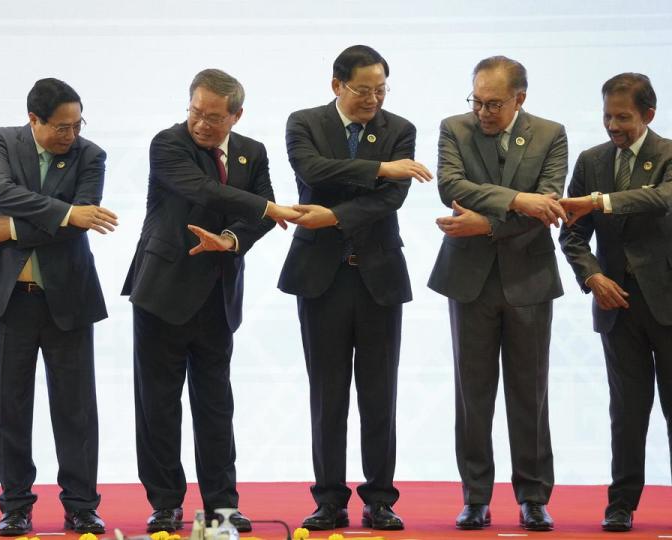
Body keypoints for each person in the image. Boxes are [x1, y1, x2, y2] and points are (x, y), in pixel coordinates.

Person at [122, 68, 299, 534]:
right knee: (158, 403)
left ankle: (222, 504)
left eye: (214, 117)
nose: (202, 123)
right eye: (196, 112)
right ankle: (165, 503)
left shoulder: (252, 153)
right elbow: (203, 190)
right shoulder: (168, 143)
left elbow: (262, 212)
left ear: (236, 115)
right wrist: (264, 209)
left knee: (216, 405)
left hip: (217, 296)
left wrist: (230, 239)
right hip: (161, 291)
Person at [277, 45, 432, 532]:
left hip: (378, 276)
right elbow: (312, 170)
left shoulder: (399, 129)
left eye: (380, 90)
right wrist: (380, 168)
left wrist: (337, 215)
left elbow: (391, 200)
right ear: (336, 85)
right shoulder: (304, 122)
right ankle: (329, 499)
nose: (373, 99)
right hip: (320, 277)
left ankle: (380, 499)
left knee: (379, 392)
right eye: (363, 89)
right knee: (327, 393)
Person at [0, 78, 115, 537]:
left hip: (68, 296)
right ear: (34, 120)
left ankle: (82, 505)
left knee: (76, 408)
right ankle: (16, 505)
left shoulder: (92, 154)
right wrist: (64, 212)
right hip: (8, 298)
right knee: (7, 406)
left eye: (77, 124)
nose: (71, 134)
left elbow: (83, 221)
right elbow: (0, 193)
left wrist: (18, 230)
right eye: (61, 127)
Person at [427, 56, 568, 532]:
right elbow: (450, 183)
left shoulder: (551, 134)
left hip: (529, 279)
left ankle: (533, 497)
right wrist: (514, 199)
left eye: (493, 104)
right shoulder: (455, 128)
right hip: (469, 282)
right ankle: (475, 497)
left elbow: (547, 204)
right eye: (477, 101)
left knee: (530, 394)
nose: (482, 112)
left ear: (519, 99)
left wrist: (486, 220)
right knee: (474, 394)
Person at [558, 73, 672, 533]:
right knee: (626, 412)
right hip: (615, 306)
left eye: (622, 117)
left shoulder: (669, 155)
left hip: (666, 304)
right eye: (607, 116)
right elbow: (571, 231)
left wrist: (599, 202)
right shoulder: (591, 160)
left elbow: (662, 199)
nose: (613, 126)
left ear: (648, 115)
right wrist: (593, 274)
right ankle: (620, 505)